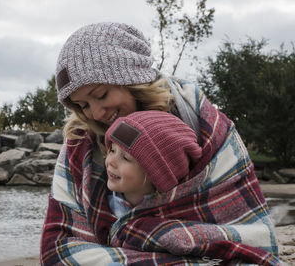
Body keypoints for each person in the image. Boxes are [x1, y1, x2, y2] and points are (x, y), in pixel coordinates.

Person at [40, 22, 281, 265]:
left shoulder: (203, 124)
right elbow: (55, 249)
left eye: (101, 95)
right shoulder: (81, 141)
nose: (96, 113)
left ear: (131, 78)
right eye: (83, 105)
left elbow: (255, 241)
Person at [104, 110, 202, 218]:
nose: (111, 162)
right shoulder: (99, 202)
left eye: (126, 158)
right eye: (112, 150)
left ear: (155, 174)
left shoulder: (170, 218)